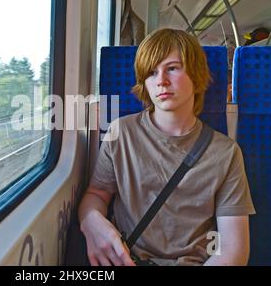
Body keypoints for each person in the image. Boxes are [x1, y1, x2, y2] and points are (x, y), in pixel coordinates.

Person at [78, 28, 256, 266]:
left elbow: (233, 249)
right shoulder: (120, 133)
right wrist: (90, 220)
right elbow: (97, 194)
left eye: (172, 68)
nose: (161, 81)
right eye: (151, 73)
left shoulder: (225, 153)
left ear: (196, 75)